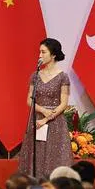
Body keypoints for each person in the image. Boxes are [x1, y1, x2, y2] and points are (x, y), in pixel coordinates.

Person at [17, 38, 73, 179]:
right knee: (37, 154)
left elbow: (64, 103)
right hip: (37, 120)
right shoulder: (35, 76)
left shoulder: (63, 77)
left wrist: (47, 118)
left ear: (53, 55)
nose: (39, 55)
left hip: (55, 122)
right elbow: (29, 100)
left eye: (43, 52)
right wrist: (42, 111)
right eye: (39, 52)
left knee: (54, 156)